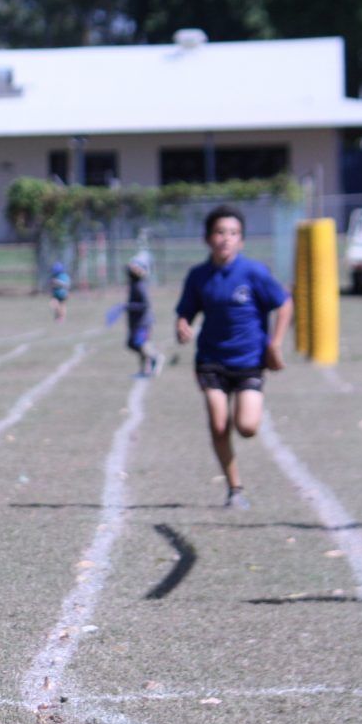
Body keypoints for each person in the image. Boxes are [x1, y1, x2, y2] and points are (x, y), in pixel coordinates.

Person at [174, 205, 293, 510]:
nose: (226, 239)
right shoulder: (198, 276)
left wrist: (275, 345)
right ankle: (235, 489)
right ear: (207, 238)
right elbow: (186, 311)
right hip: (211, 360)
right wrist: (182, 325)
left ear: (241, 240)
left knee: (248, 427)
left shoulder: (254, 272)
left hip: (249, 360)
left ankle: (236, 480)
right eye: (219, 232)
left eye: (233, 233)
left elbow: (284, 304)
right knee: (218, 425)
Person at [125, 253, 160, 377]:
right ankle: (143, 370)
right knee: (132, 344)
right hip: (136, 321)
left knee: (140, 343)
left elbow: (145, 304)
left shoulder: (140, 285)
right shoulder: (134, 283)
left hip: (143, 322)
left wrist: (130, 306)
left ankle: (155, 357)